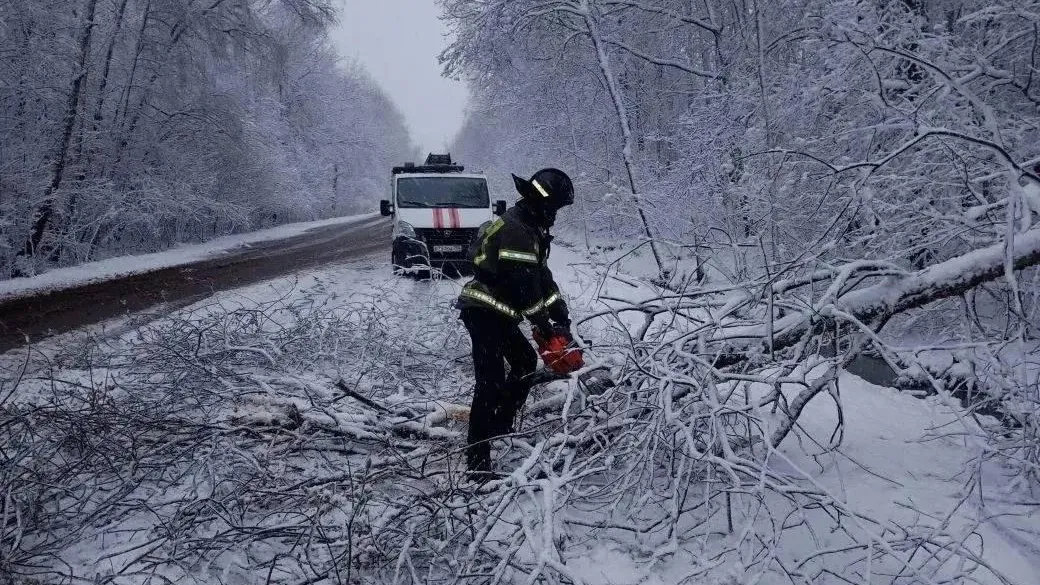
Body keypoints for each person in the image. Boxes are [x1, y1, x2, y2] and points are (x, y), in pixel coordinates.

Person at [456, 168, 575, 476]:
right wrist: (546, 327)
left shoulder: (531, 227)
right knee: (489, 382)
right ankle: (477, 465)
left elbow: (541, 277)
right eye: (556, 208)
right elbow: (522, 287)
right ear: (544, 202)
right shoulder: (517, 230)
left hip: (499, 312)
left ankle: (500, 425)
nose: (556, 216)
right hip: (482, 309)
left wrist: (559, 311)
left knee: (523, 361)